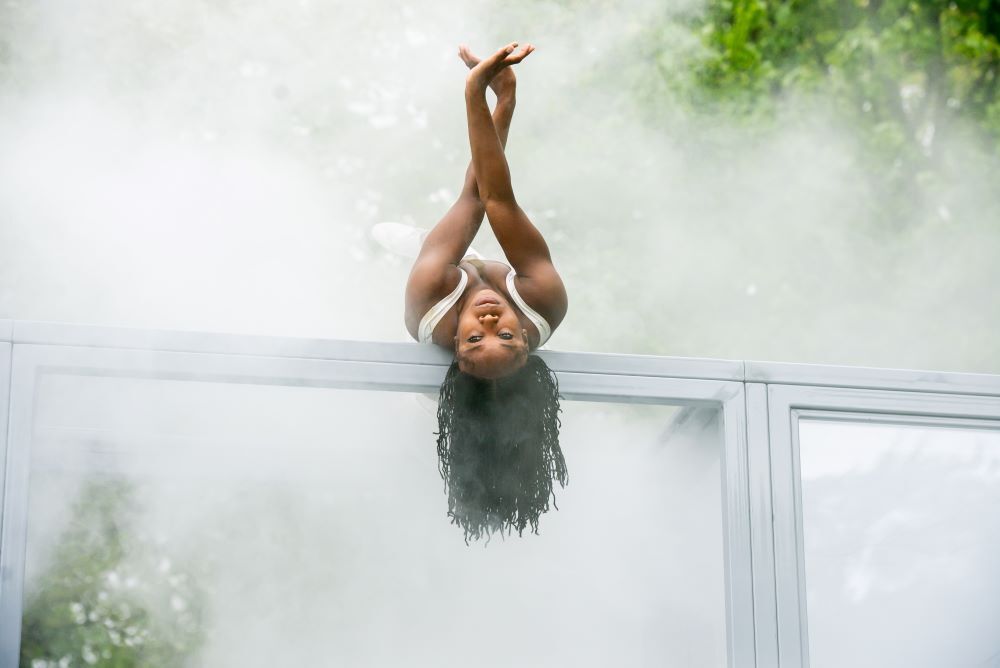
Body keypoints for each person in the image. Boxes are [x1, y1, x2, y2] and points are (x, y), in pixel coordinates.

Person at [388, 42, 569, 541]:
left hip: (441, 282)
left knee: (420, 249)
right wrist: (503, 100)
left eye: (474, 340)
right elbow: (497, 198)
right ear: (528, 341)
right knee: (465, 228)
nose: (490, 322)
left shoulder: (431, 304)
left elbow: (473, 196)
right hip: (467, 270)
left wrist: (475, 94)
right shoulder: (544, 303)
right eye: (506, 338)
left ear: (456, 347)